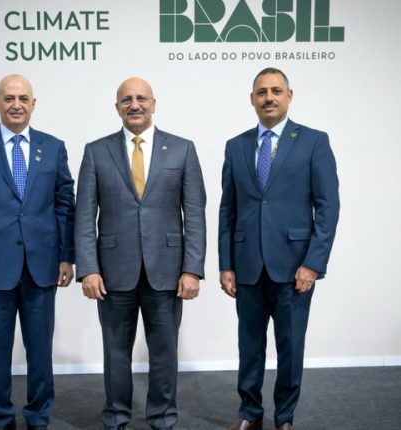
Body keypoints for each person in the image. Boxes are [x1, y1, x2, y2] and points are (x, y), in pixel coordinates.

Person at [75, 77, 206, 430]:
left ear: (153, 103)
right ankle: (116, 418)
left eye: (141, 99)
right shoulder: (96, 151)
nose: (134, 105)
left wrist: (192, 269)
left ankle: (162, 419)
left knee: (164, 353)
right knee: (115, 352)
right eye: (127, 100)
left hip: (167, 271)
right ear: (117, 107)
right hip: (112, 272)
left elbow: (194, 213)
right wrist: (88, 268)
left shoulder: (182, 149)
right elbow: (84, 216)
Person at [219, 68, 340, 430]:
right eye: (261, 92)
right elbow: (228, 210)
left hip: (294, 268)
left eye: (275, 90)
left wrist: (313, 263)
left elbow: (327, 208)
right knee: (249, 346)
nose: (268, 97)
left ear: (289, 95)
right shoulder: (236, 146)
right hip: (247, 266)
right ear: (252, 99)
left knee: (290, 346)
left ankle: (285, 417)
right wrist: (226, 264)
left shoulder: (314, 142)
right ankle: (249, 412)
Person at [0, 74, 75, 430]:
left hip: (42, 267)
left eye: (23, 98)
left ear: (33, 104)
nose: (16, 105)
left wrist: (67, 256)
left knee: (40, 351)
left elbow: (65, 205)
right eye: (9, 98)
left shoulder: (53, 147)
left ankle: (38, 417)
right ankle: (1, 418)